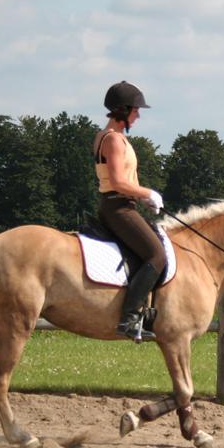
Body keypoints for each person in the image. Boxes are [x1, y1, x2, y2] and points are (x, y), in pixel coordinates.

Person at [94, 80, 166, 342]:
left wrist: (142, 197)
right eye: (136, 110)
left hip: (121, 204)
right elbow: (117, 182)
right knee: (157, 255)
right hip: (118, 208)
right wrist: (147, 192)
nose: (138, 115)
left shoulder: (109, 136)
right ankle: (129, 318)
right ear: (123, 109)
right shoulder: (113, 139)